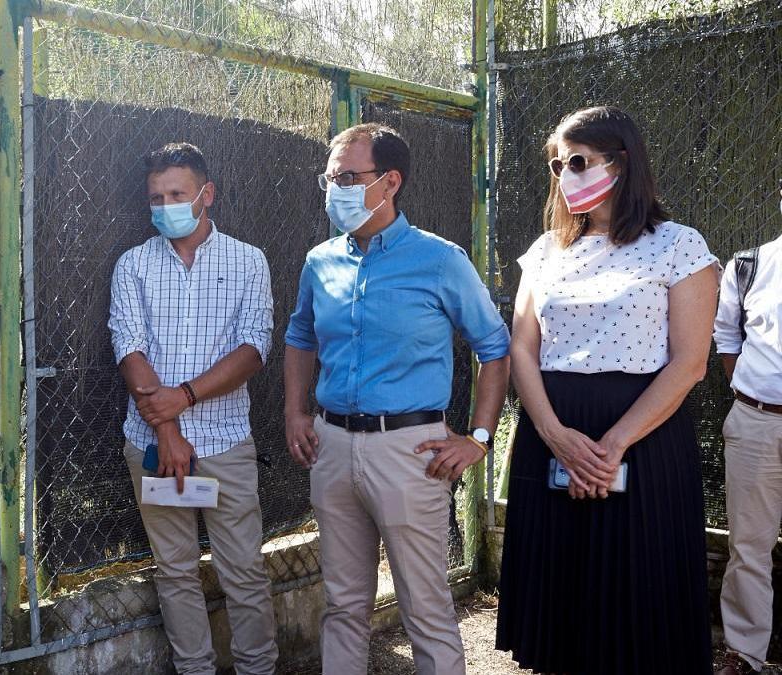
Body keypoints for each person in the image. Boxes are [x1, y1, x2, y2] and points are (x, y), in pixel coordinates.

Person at [495, 105, 718, 674]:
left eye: (578, 161)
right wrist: (554, 435)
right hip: (553, 428)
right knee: (559, 589)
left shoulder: (678, 245)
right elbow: (522, 347)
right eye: (557, 165)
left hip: (644, 435)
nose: (565, 176)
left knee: (638, 593)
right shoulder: (547, 250)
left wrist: (612, 445)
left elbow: (690, 362)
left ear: (623, 161)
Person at [284, 122, 511, 675]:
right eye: (330, 177)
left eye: (348, 177)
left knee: (425, 606)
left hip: (410, 451)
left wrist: (479, 437)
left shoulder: (440, 260)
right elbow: (300, 336)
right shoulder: (321, 261)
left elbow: (495, 347)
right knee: (343, 605)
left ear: (390, 182)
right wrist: (295, 411)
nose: (335, 188)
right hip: (331, 446)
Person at [108, 142, 278, 674]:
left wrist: (182, 399)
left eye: (176, 194)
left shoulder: (249, 261)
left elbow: (254, 348)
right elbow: (127, 346)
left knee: (244, 571)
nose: (165, 206)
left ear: (207, 194)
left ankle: (256, 669)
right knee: (175, 571)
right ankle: (195, 670)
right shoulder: (132, 265)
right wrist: (168, 432)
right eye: (156, 198)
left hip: (226, 441)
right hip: (154, 446)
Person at [713, 180, 782, 675]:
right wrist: (753, 395)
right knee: (750, 546)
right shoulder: (748, 265)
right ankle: (744, 654)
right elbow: (725, 338)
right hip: (757, 422)